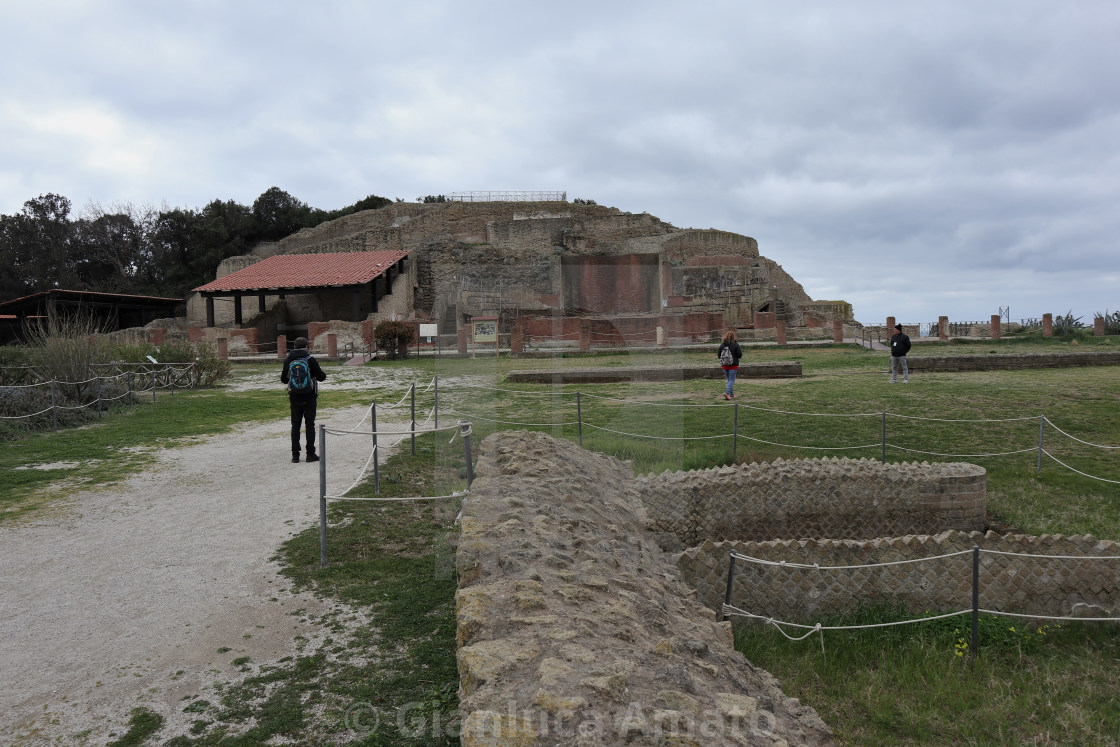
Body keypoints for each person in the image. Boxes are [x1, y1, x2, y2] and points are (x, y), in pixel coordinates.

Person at [281, 336, 327, 462]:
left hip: (294, 396)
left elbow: (283, 379)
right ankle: (310, 454)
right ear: (307, 346)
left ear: (294, 347)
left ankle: (295, 455)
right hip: (309, 396)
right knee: (309, 425)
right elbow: (322, 377)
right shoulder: (310, 359)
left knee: (295, 425)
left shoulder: (288, 359)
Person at [717, 329, 743, 400]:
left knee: (729, 380)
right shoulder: (735, 344)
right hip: (733, 365)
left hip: (725, 365)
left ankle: (731, 395)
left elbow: (719, 355)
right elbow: (739, 355)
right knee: (731, 380)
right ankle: (727, 393)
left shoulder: (722, 345)